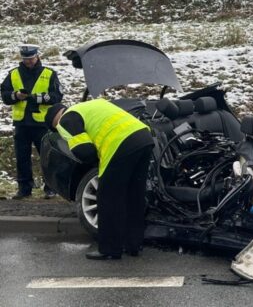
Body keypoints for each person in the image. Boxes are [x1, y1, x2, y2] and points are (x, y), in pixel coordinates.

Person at [45, 99, 154, 260]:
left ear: (55, 122)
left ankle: (110, 249)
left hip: (120, 145)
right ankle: (134, 244)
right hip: (144, 137)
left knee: (108, 198)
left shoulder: (65, 121)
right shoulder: (91, 105)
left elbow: (85, 152)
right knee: (134, 195)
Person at [1, 44, 62, 199]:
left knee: (47, 157)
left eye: (31, 58)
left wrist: (39, 98)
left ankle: (51, 187)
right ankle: (24, 189)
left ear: (37, 56)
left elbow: (57, 96)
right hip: (21, 123)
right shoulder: (14, 74)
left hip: (42, 124)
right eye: (25, 59)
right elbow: (5, 95)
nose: (28, 62)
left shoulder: (49, 74)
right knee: (22, 158)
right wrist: (16, 96)